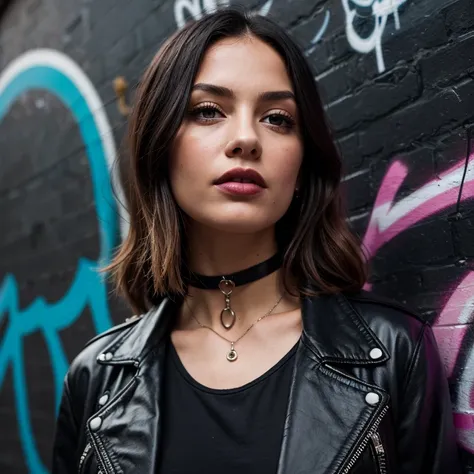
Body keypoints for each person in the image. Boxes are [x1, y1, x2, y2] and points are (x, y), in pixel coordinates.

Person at [52, 8, 461, 474]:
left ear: (303, 167)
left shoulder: (393, 354)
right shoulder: (96, 378)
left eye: (277, 118)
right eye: (208, 111)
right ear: (159, 146)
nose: (246, 138)